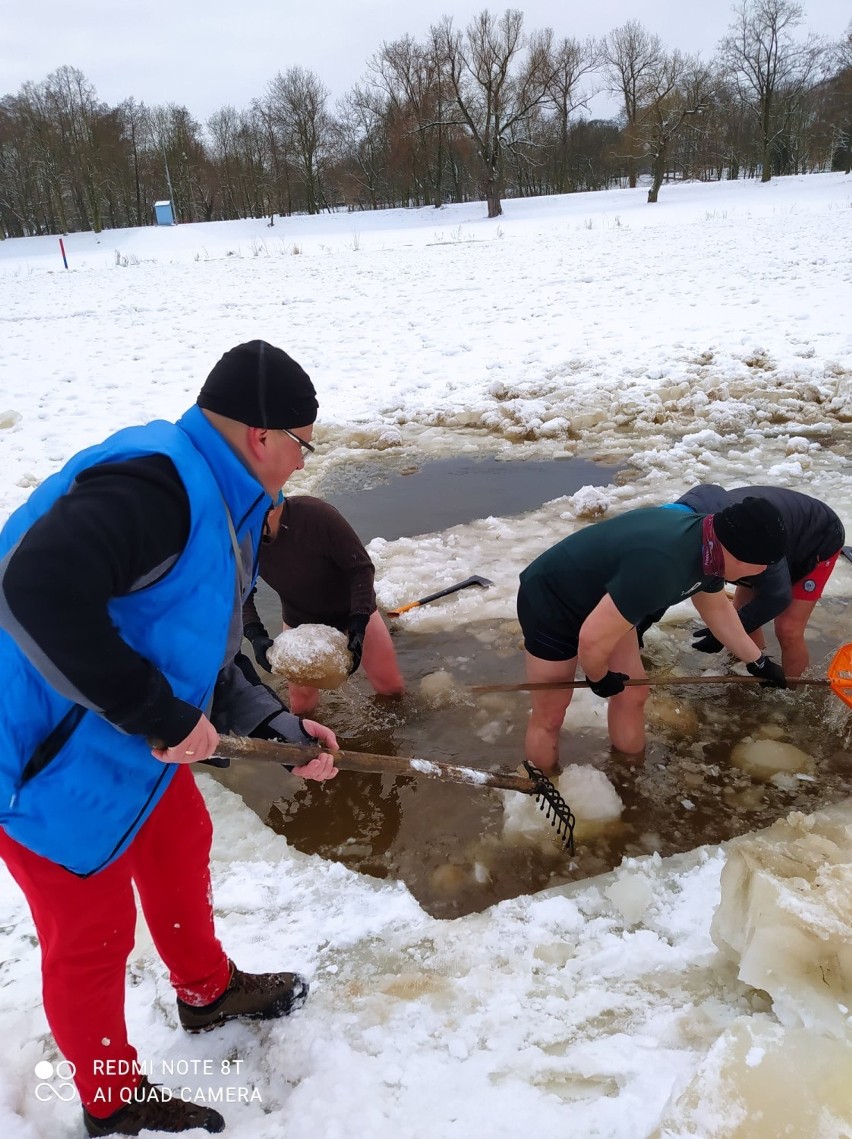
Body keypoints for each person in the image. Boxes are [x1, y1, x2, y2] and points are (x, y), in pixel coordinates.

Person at [0, 340, 341, 1137]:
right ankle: (111, 1098)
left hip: (118, 739)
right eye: (303, 443)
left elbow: (202, 643)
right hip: (41, 756)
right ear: (263, 437)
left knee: (179, 838)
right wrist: (160, 714)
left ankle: (206, 988)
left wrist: (275, 724)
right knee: (91, 931)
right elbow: (33, 587)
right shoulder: (157, 483)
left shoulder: (225, 500)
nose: (302, 461)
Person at [517, 498, 789, 775]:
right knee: (550, 712)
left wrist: (757, 662)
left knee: (633, 692)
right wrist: (598, 677)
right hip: (552, 600)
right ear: (739, 555)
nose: (765, 571)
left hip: (613, 600)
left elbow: (717, 608)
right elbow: (592, 640)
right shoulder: (664, 564)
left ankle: (628, 774)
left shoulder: (713, 547)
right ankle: (543, 784)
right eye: (764, 564)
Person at [243, 495, 404, 714]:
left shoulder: (317, 516)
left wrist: (358, 623)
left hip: (352, 612)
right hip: (300, 622)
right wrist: (255, 635)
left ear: (270, 509)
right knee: (301, 705)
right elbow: (239, 592)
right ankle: (310, 745)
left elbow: (361, 568)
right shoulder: (241, 538)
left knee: (390, 689)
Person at [667, 484, 845, 678]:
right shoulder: (699, 536)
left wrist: (723, 634)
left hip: (817, 537)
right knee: (742, 613)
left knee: (788, 629)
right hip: (764, 539)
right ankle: (752, 672)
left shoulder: (758, 546)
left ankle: (792, 694)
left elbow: (778, 596)